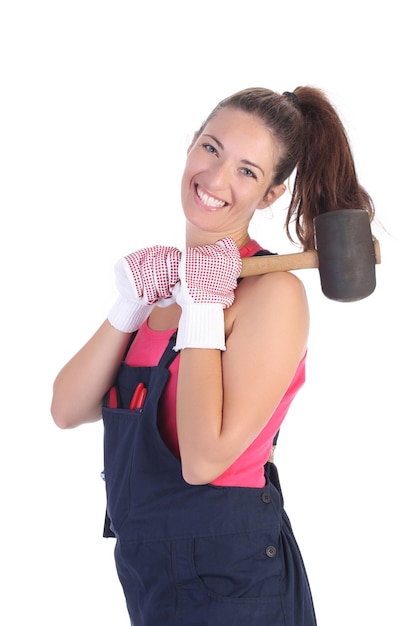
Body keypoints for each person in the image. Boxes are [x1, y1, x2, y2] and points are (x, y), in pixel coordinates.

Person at [51, 86, 374, 625]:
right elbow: (66, 408)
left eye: (248, 171)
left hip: (236, 583)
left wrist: (201, 309)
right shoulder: (167, 287)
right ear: (190, 148)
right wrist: (129, 306)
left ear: (271, 194)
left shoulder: (272, 296)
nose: (217, 178)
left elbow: (204, 461)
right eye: (211, 148)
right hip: (153, 577)